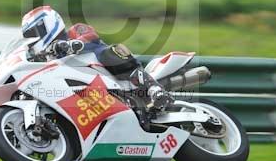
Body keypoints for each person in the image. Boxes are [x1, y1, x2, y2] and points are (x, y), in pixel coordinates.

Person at [21, 6, 173, 113]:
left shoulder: (74, 31)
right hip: (89, 95)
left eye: (36, 32)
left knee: (108, 51)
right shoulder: (46, 59)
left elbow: (91, 36)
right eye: (31, 35)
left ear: (48, 23)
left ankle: (154, 89)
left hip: (109, 74)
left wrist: (71, 45)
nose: (35, 38)